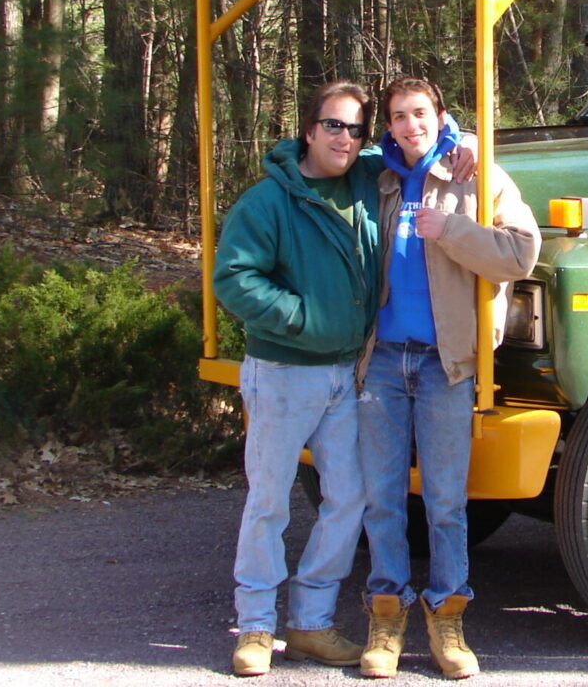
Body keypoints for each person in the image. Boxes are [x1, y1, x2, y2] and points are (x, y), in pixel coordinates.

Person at [357, 76, 540, 680]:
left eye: (421, 114)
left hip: (446, 362)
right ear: (388, 126)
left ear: (440, 116)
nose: (412, 126)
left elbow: (520, 253)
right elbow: (312, 154)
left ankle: (448, 617)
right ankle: (386, 617)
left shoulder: (475, 175)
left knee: (443, 502)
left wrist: (452, 229)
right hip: (382, 360)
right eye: (399, 117)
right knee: (381, 499)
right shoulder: (377, 178)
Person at [213, 81, 381, 677]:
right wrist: (303, 319)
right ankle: (255, 627)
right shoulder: (268, 202)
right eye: (334, 126)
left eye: (357, 129)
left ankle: (310, 622)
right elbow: (233, 279)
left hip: (347, 375)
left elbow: (426, 141)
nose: (346, 139)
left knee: (349, 498)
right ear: (308, 130)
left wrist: (458, 143)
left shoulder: (365, 183)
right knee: (268, 501)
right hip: (283, 371)